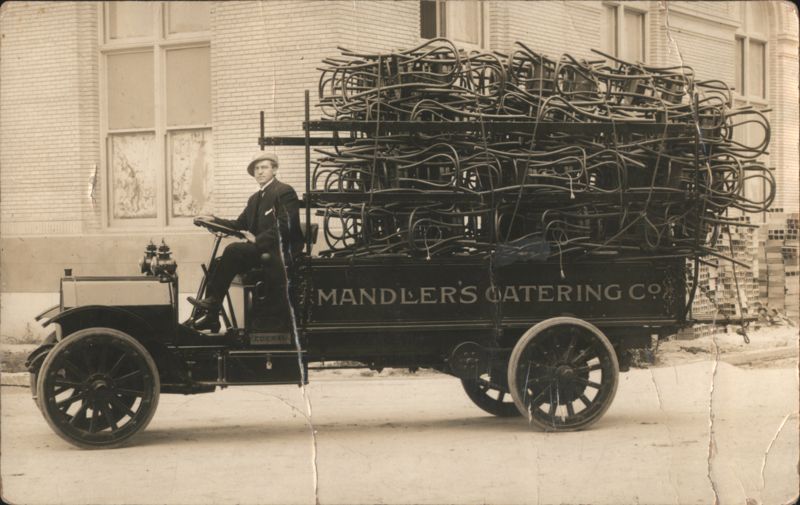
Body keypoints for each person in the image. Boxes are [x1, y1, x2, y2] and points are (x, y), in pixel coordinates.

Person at [188, 151, 304, 331]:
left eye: (264, 167)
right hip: (261, 251)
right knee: (217, 263)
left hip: (279, 252)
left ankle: (213, 301)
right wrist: (214, 220)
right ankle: (211, 315)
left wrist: (257, 239)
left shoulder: (284, 192)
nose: (259, 172)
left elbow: (285, 226)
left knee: (234, 250)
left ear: (274, 169)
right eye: (256, 169)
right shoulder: (254, 199)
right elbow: (239, 224)